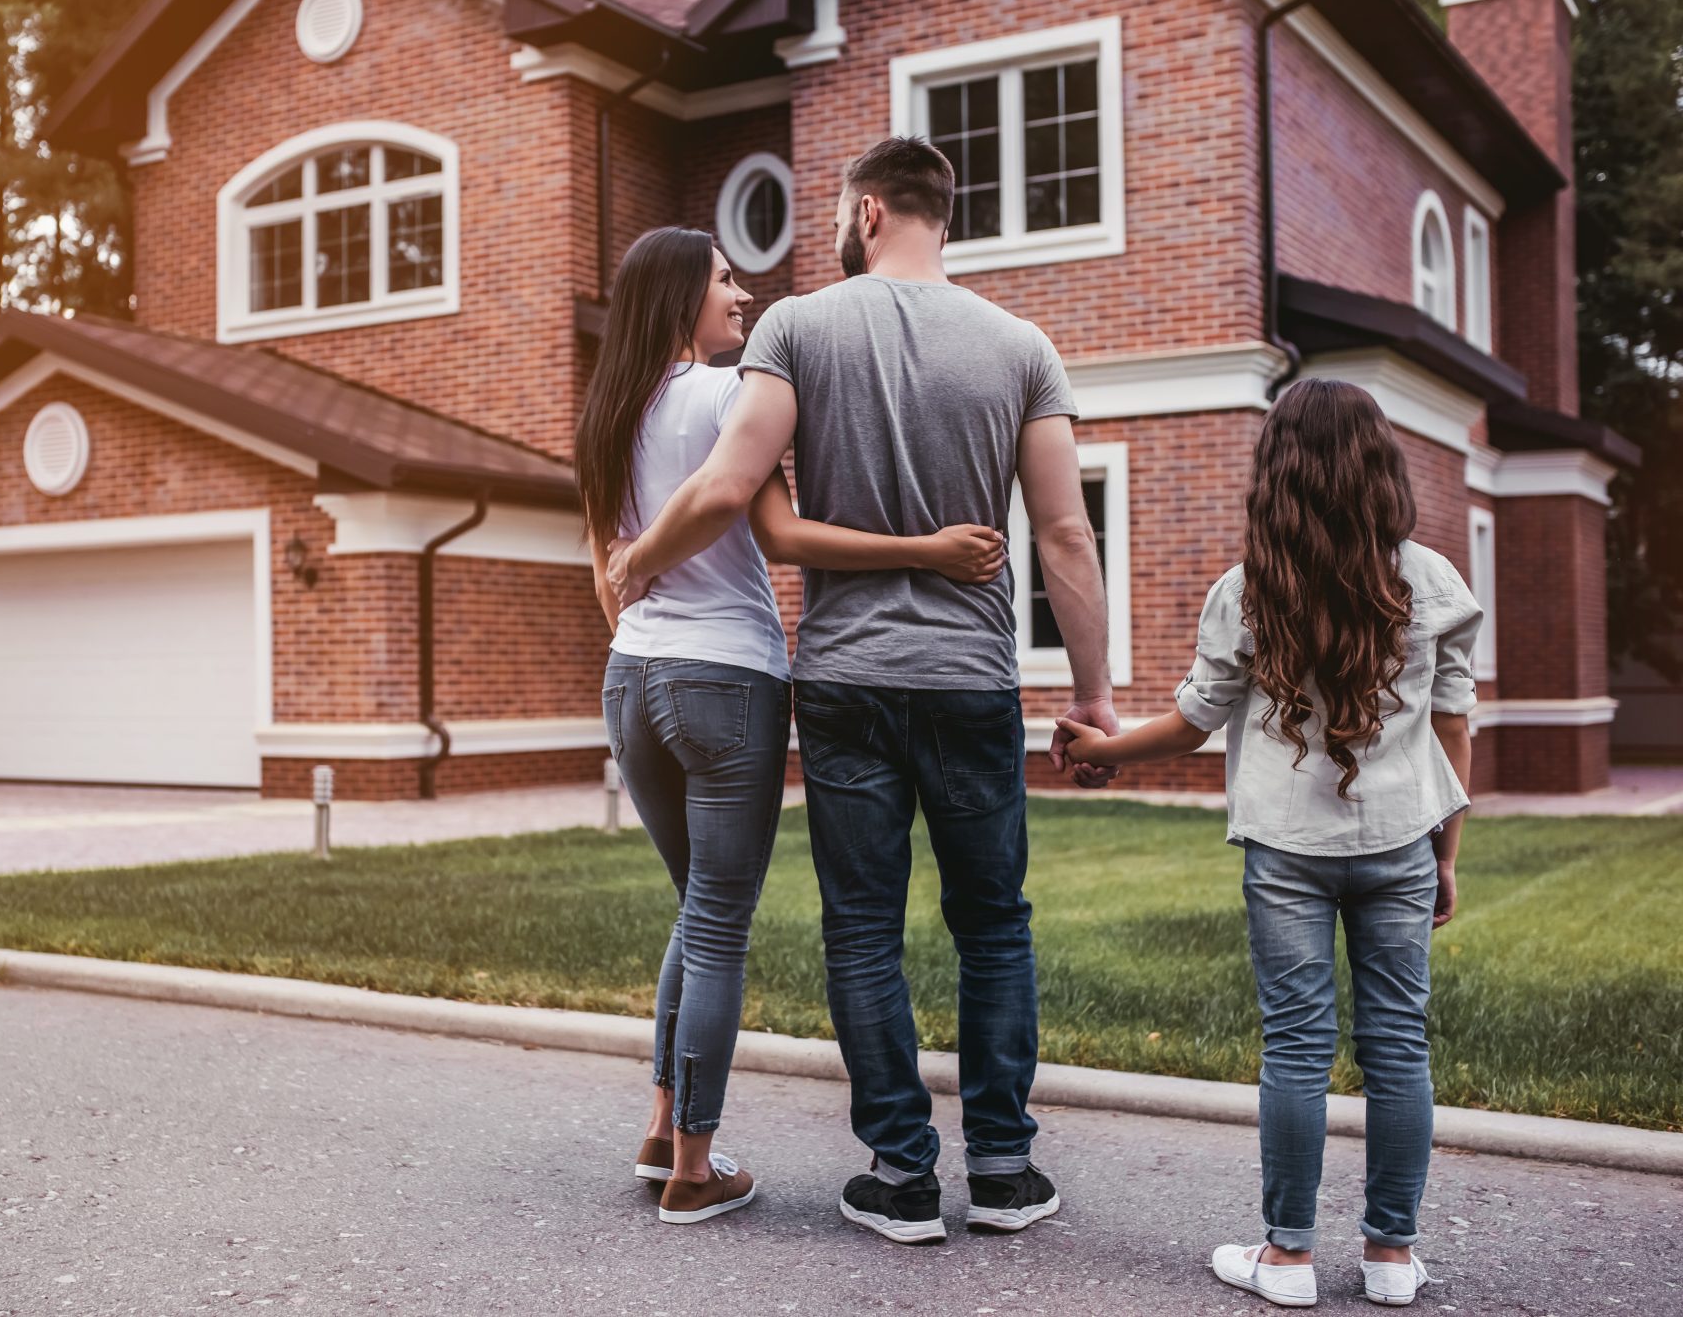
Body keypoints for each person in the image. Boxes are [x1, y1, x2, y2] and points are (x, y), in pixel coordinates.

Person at [608, 138, 1117, 1244]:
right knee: (994, 926)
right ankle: (1000, 1167)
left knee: (860, 931)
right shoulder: (1022, 345)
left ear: (869, 210)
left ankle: (896, 1173)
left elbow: (737, 488)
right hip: (971, 680)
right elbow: (1066, 535)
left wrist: (636, 559)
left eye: (839, 210)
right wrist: (1095, 698)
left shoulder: (795, 326)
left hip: (841, 678)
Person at [577, 224, 1005, 1226]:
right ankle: (694, 1165)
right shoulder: (733, 398)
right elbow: (777, 531)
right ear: (681, 295)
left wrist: (645, 618)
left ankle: (658, 1119)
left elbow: (607, 567)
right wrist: (927, 550)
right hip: (726, 677)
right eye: (725, 279)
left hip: (631, 675)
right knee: (719, 920)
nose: (743, 292)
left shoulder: (604, 413)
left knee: (696, 906)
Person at [1056, 378, 1479, 1309]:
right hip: (1403, 835)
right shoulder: (1433, 581)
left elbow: (1191, 720)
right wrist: (1446, 853)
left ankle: (1287, 1258)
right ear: (1380, 469)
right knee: (1399, 1045)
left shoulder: (1249, 590)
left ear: (1276, 472)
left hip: (1287, 845)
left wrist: (1103, 753)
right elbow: (1456, 730)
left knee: (1296, 1045)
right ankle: (1390, 1257)